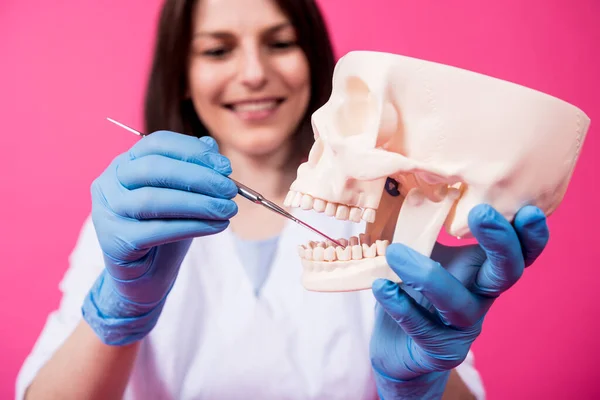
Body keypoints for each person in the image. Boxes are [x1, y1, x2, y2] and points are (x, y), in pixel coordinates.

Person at [16, 0, 550, 399]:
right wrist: (118, 313)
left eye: (279, 43)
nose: (253, 73)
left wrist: (423, 380)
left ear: (313, 58)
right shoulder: (136, 220)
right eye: (217, 49)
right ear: (182, 73)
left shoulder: (388, 203)